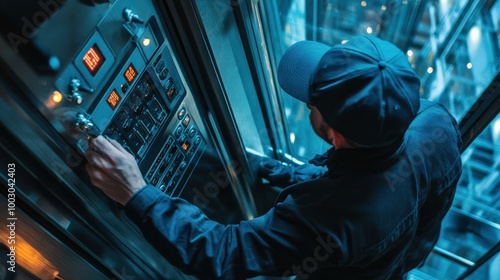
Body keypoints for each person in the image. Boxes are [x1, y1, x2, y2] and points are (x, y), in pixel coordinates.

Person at [85, 35, 462, 279]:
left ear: (336, 133)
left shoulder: (329, 217)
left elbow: (223, 252)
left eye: (311, 101)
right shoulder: (437, 124)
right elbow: (364, 178)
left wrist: (136, 193)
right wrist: (270, 169)